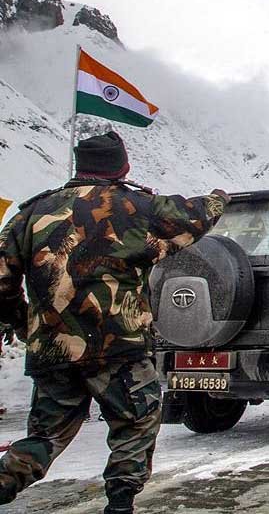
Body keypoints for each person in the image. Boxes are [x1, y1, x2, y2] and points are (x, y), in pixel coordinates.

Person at [0, 131, 229, 513]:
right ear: (122, 167)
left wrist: (26, 325)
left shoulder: (31, 214)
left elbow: (2, 280)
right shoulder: (135, 206)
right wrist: (219, 198)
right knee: (136, 423)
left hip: (54, 351)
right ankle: (120, 504)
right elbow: (194, 216)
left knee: (44, 438)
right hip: (118, 348)